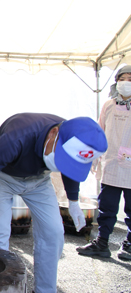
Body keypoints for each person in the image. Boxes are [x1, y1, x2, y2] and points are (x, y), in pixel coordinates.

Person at [0, 113, 108, 293]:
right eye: (61, 158)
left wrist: (74, 201)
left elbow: (71, 168)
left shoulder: (73, 135)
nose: (61, 165)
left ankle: (44, 290)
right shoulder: (18, 137)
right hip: (1, 178)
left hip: (39, 181)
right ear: (53, 133)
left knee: (54, 232)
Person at [76, 66, 131, 260]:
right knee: (107, 208)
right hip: (111, 163)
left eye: (130, 79)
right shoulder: (109, 105)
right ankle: (102, 243)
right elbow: (100, 131)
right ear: (117, 83)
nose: (126, 82)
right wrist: (93, 156)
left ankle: (130, 245)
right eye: (122, 79)